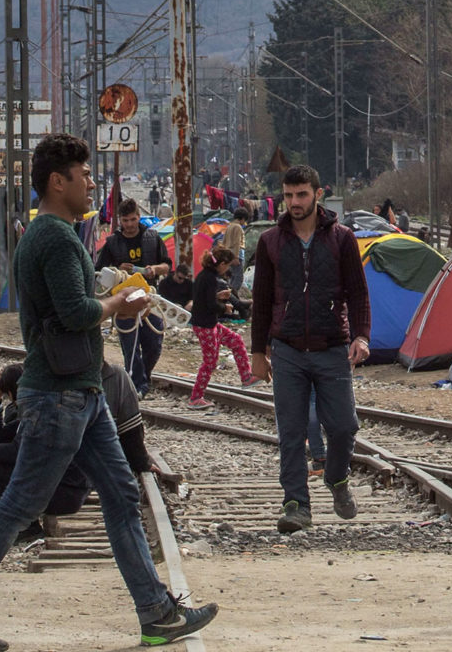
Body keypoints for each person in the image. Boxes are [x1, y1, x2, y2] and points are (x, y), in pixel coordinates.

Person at [0, 133, 215, 652]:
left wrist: (106, 297)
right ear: (57, 182)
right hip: (59, 395)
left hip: (80, 392)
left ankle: (156, 613)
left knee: (122, 494)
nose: (91, 184)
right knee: (20, 503)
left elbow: (70, 305)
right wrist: (116, 307)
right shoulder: (57, 239)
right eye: (83, 175)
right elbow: (74, 314)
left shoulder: (48, 236)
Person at [249, 164, 371, 533]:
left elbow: (358, 293)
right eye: (288, 195)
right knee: (290, 430)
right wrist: (258, 351)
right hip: (286, 349)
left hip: (331, 345)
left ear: (318, 194)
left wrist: (361, 336)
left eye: (301, 194)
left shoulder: (342, 239)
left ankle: (336, 478)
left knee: (344, 426)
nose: (294, 202)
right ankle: (296, 505)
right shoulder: (270, 241)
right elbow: (262, 299)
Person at [0, 362, 92, 523]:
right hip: (69, 490)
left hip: (65, 494)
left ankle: (27, 526)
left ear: (11, 394)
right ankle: (6, 510)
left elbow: (18, 452)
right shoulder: (43, 405)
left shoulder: (41, 414)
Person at [96, 201, 172, 396]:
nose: (129, 224)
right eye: (125, 220)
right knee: (130, 347)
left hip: (150, 299)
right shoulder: (112, 242)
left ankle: (144, 376)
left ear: (139, 217)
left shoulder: (152, 238)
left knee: (154, 343)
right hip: (124, 303)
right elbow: (99, 272)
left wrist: (153, 269)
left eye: (133, 219)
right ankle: (138, 385)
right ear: (120, 220)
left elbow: (167, 265)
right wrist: (117, 271)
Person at [186, 246, 251, 407]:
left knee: (236, 340)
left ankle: (246, 377)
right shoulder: (209, 278)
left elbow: (204, 299)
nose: (227, 269)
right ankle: (195, 398)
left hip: (210, 323)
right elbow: (209, 304)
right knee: (210, 362)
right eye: (227, 265)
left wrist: (219, 296)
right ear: (221, 264)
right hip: (205, 325)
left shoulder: (205, 276)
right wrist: (225, 308)